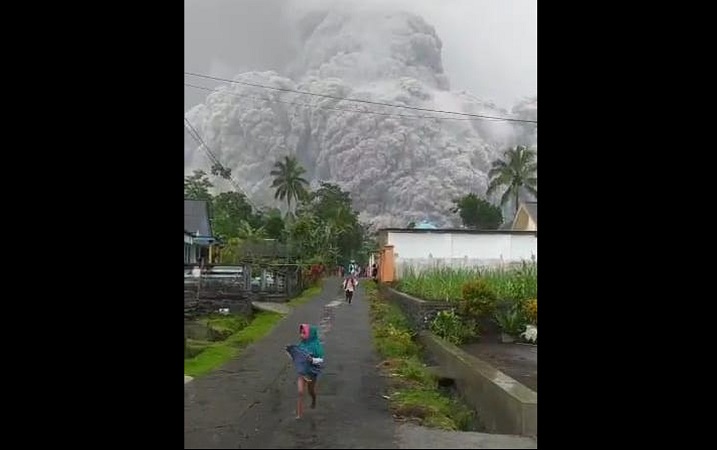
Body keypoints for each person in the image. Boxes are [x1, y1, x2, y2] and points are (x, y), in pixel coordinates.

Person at [294, 324, 324, 419]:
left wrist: (312, 360)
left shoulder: (316, 347)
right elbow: (297, 356)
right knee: (300, 392)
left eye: (304, 333)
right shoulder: (301, 345)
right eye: (301, 333)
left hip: (312, 373)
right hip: (302, 372)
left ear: (310, 334)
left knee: (310, 391)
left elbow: (321, 360)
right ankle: (299, 414)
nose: (301, 335)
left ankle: (314, 399)